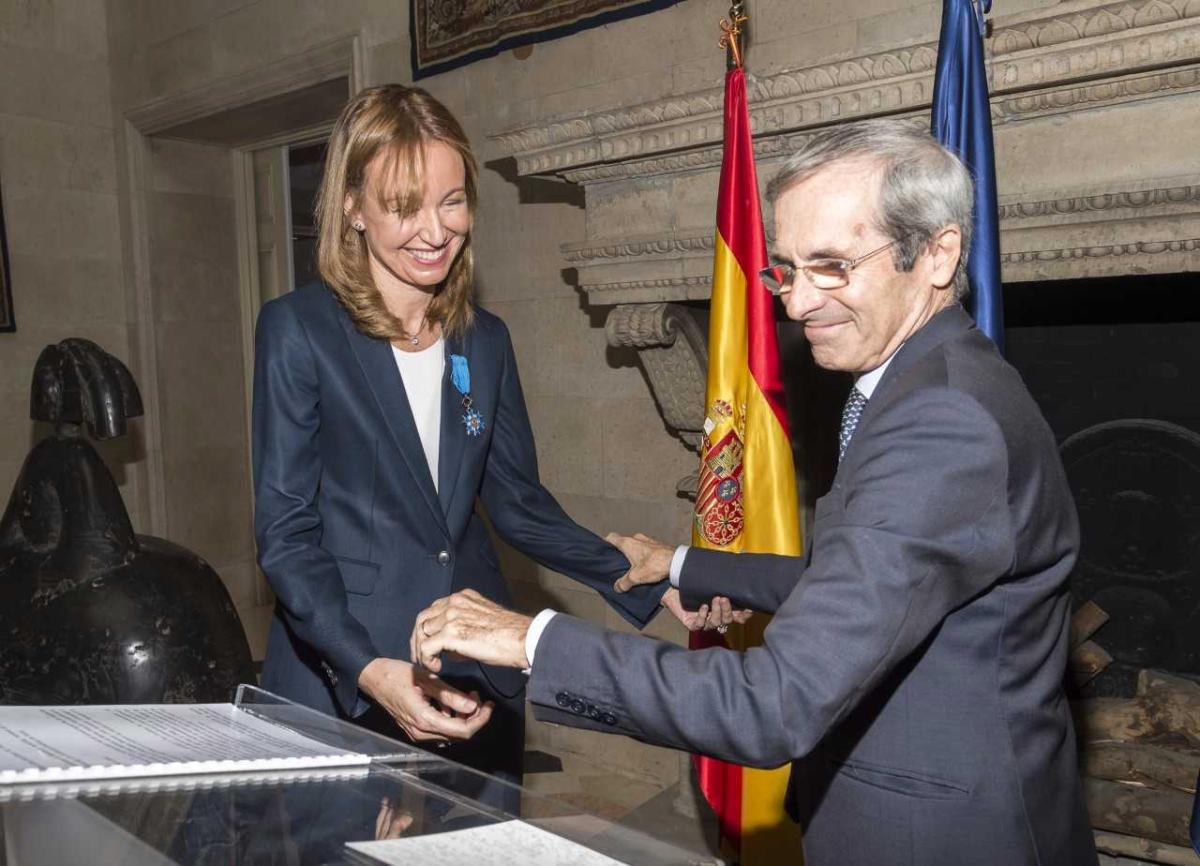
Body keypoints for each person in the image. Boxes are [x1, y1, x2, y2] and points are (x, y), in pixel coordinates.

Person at [411, 121, 1100, 864]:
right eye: (785, 270)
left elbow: (775, 703)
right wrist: (683, 564)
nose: (797, 305)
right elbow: (871, 577)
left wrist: (532, 639)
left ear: (937, 253)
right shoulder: (931, 377)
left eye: (832, 267)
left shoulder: (941, 423)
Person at [251, 85, 724, 790]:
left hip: (472, 673)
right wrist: (371, 670)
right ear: (352, 207)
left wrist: (647, 588)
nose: (435, 231)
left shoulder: (486, 339)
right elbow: (286, 534)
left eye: (452, 201)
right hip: (346, 677)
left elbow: (517, 503)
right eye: (403, 207)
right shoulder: (298, 330)